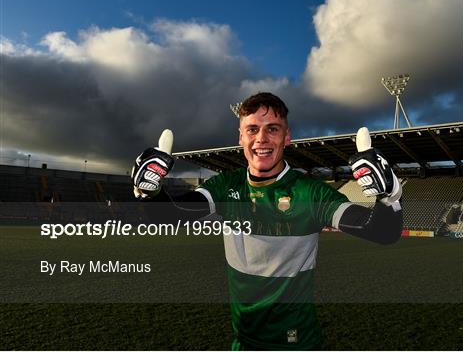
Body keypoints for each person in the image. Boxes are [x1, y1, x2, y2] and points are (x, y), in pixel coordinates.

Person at [131, 92, 403, 350]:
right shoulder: (227, 185)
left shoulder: (310, 192)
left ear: (287, 137)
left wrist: (388, 197)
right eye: (252, 129)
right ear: (241, 137)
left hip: (295, 343)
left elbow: (380, 231)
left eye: (272, 129)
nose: (261, 138)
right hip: (244, 339)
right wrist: (151, 192)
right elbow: (173, 215)